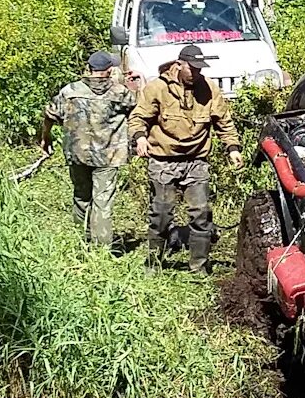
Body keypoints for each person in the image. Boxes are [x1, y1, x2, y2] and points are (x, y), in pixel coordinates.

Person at [129, 43, 244, 272]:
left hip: (196, 161)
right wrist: (140, 138)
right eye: (192, 68)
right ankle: (154, 265)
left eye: (200, 69)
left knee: (201, 215)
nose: (197, 73)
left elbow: (224, 122)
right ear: (179, 65)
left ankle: (199, 269)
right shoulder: (158, 88)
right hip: (163, 160)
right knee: (161, 215)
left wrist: (233, 148)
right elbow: (138, 118)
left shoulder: (209, 89)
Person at [40, 51, 136, 248]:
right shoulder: (120, 93)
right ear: (109, 70)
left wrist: (45, 137)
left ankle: (81, 244)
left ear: (90, 69)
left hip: (77, 153)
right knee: (102, 202)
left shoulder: (70, 91)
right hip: (109, 155)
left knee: (81, 197)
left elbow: (50, 115)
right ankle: (101, 249)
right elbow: (139, 112)